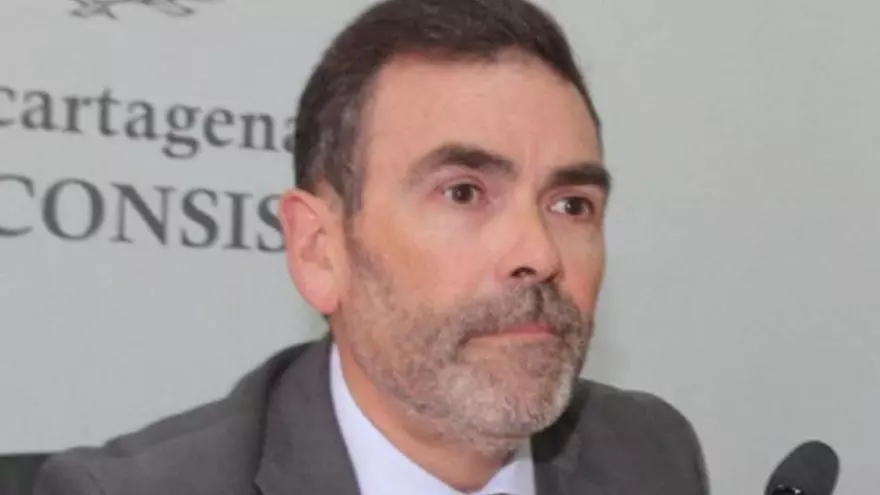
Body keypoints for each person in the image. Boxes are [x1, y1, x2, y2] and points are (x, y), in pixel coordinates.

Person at [35, 0, 710, 494]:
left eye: (571, 205)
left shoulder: (650, 454)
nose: (538, 252)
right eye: (464, 192)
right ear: (319, 250)